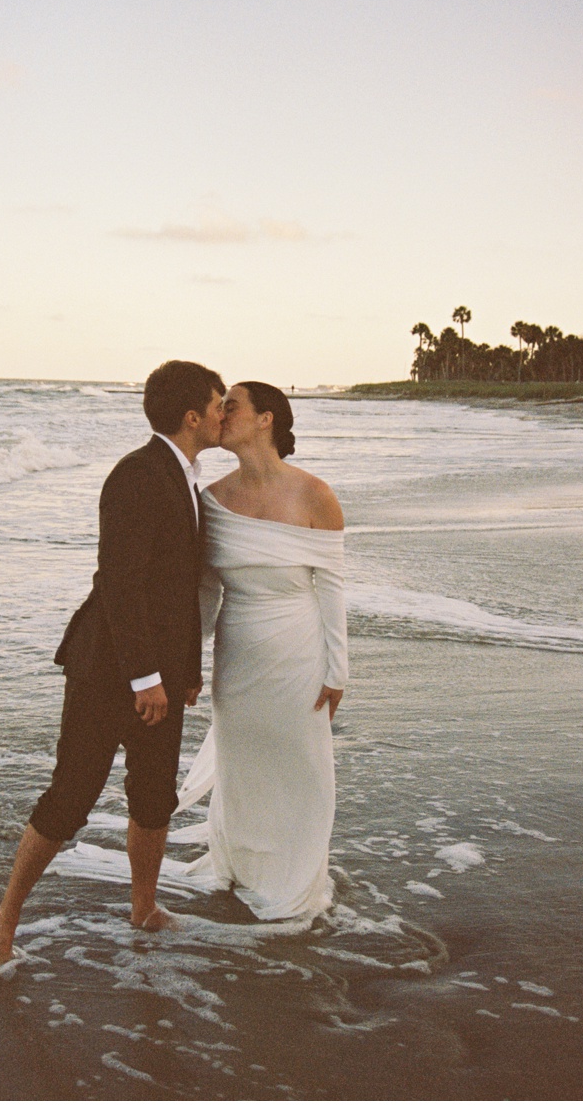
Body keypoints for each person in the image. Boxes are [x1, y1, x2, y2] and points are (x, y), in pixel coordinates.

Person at [0, 361, 224, 968]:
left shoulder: (186, 477)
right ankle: (2, 924)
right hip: (106, 670)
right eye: (219, 404)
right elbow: (120, 584)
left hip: (160, 674)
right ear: (192, 416)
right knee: (71, 798)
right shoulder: (138, 474)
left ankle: (142, 907)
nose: (225, 412)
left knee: (154, 796)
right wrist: (146, 678)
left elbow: (179, 590)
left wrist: (185, 672)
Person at [178, 381, 346, 920]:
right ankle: (245, 865)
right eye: (219, 407)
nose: (220, 414)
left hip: (298, 648)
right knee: (243, 762)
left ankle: (296, 876)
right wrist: (189, 660)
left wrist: (338, 670)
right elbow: (207, 591)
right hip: (239, 649)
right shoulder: (212, 499)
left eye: (232, 406)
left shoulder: (314, 493)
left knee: (303, 766)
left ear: (266, 419)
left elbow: (332, 587)